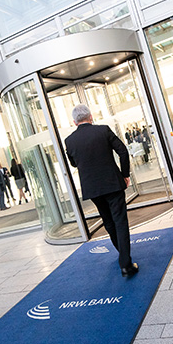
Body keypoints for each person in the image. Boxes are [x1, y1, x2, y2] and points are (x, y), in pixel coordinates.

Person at [65, 104, 138, 277]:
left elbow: (74, 163)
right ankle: (126, 264)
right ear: (90, 117)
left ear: (75, 122)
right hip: (112, 183)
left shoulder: (69, 141)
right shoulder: (103, 130)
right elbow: (123, 152)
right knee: (120, 221)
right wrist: (125, 174)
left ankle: (122, 254)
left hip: (92, 188)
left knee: (108, 221)